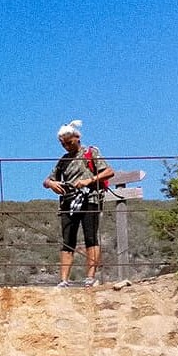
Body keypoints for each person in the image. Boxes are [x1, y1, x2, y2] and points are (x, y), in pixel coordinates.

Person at [43, 119, 114, 287]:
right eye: (63, 144)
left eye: (69, 142)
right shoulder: (63, 161)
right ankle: (64, 280)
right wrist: (51, 184)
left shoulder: (91, 153)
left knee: (91, 237)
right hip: (68, 203)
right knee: (68, 240)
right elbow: (47, 180)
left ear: (77, 138)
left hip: (90, 199)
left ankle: (90, 277)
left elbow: (109, 171)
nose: (66, 146)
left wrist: (88, 181)